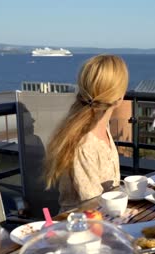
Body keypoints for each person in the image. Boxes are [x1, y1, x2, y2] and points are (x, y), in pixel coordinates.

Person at [44, 55, 129, 212]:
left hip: (107, 217)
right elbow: (93, 205)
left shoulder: (101, 129)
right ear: (118, 99)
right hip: (81, 227)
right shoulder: (85, 144)